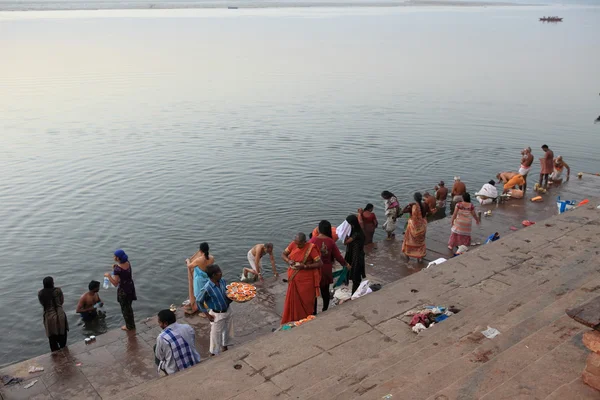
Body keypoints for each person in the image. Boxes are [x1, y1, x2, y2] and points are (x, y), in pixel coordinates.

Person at [309, 220, 350, 314]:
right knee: (325, 291)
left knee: (314, 293)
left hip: (315, 270)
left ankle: (314, 312)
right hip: (326, 269)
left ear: (319, 229)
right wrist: (346, 264)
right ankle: (325, 309)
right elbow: (338, 256)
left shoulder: (312, 241)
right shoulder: (331, 242)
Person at [281, 233, 323, 324]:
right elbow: (284, 254)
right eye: (296, 243)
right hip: (293, 277)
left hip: (306, 280)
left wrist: (305, 266)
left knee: (307, 300)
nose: (297, 246)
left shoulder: (311, 249)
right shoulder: (293, 244)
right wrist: (289, 260)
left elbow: (319, 263)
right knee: (294, 301)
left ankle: (307, 317)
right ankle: (293, 318)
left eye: (299, 244)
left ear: (305, 242)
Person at [196, 264, 234, 356]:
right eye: (219, 272)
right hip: (217, 314)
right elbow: (199, 301)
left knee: (228, 330)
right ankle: (214, 352)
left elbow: (226, 294)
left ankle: (225, 346)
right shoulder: (207, 288)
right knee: (215, 334)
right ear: (213, 275)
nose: (221, 273)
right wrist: (207, 315)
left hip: (227, 310)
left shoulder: (223, 282)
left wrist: (232, 298)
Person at [155, 309, 200, 375]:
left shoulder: (162, 337)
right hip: (194, 360)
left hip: (175, 370)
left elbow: (159, 356)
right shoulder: (187, 327)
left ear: (165, 323)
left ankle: (166, 373)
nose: (159, 324)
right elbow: (192, 341)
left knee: (156, 350)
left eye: (159, 322)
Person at [105, 249, 137, 331]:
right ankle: (131, 323)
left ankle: (129, 326)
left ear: (118, 258)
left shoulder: (117, 270)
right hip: (130, 287)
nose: (113, 257)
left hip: (123, 290)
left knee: (125, 309)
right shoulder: (127, 263)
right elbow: (124, 271)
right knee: (129, 306)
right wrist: (115, 266)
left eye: (115, 256)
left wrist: (108, 276)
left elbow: (115, 283)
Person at [38, 277, 69, 352]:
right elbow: (61, 301)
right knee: (62, 335)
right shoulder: (57, 290)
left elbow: (42, 304)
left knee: (52, 338)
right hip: (59, 314)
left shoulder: (40, 293)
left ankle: (55, 355)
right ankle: (63, 353)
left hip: (48, 316)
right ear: (52, 283)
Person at [185, 242, 214, 313]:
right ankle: (207, 306)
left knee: (199, 295)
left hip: (199, 280)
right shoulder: (212, 258)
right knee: (206, 293)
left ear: (200, 251)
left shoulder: (199, 260)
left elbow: (189, 266)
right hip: (208, 278)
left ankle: (203, 311)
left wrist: (188, 261)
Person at [401, 193, 428, 263]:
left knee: (408, 241)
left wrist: (408, 205)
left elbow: (403, 211)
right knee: (420, 242)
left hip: (413, 228)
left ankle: (407, 255)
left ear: (414, 198)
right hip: (422, 227)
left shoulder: (413, 207)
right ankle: (420, 257)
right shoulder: (424, 205)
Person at [344, 215, 366, 294]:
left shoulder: (356, 234)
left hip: (356, 257)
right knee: (355, 274)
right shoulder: (357, 231)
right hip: (356, 255)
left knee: (355, 275)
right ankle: (355, 292)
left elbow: (345, 242)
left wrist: (344, 234)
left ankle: (354, 293)